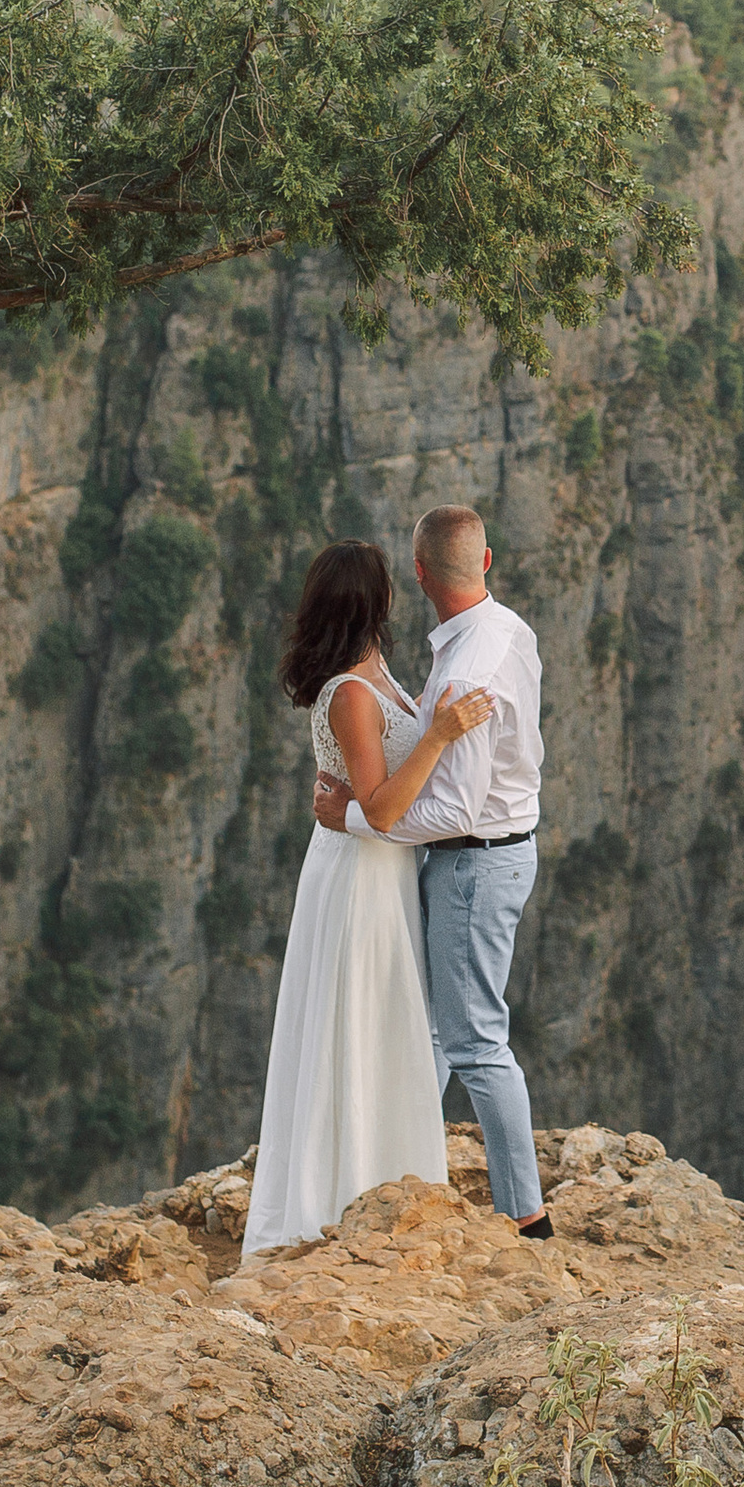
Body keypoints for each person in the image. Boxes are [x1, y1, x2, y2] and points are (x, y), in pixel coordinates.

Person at [244, 539, 493, 1258]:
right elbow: (381, 809)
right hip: (359, 876)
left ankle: (381, 1174)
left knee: (384, 1020)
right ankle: (338, 1194)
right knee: (356, 1022)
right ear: (372, 602)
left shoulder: (376, 669)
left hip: (381, 872)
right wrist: (440, 735)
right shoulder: (350, 693)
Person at [314, 503, 551, 1238]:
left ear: (419, 575)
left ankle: (526, 1215)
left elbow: (452, 809)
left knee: (474, 1040)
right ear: (484, 562)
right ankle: (387, 1163)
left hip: (472, 865)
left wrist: (353, 815)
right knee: (441, 1035)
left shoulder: (464, 672)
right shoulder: (503, 630)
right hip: (492, 856)